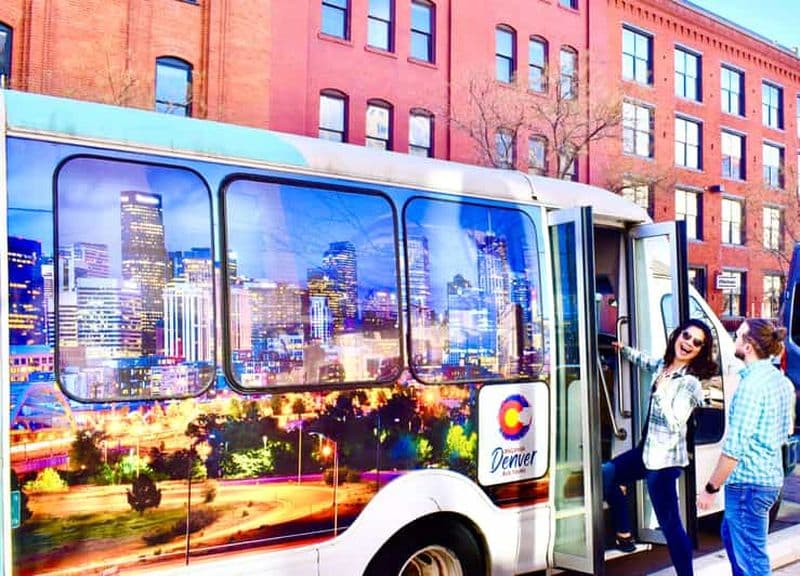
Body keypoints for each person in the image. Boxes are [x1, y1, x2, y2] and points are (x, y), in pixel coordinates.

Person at [603, 318, 717, 576]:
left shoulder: (690, 383)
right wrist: (623, 350)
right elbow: (646, 361)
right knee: (604, 475)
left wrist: (662, 394)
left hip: (665, 464)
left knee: (671, 526)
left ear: (700, 351)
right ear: (677, 335)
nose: (689, 343)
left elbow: (677, 421)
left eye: (696, 343)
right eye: (686, 336)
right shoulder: (664, 366)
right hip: (646, 452)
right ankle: (624, 531)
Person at [697, 318, 795, 576]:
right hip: (768, 480)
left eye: (738, 336)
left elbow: (734, 448)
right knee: (731, 536)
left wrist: (710, 488)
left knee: (752, 560)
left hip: (748, 487)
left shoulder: (751, 387)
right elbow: (786, 429)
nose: (734, 340)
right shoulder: (779, 380)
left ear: (749, 345)